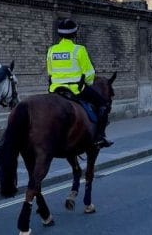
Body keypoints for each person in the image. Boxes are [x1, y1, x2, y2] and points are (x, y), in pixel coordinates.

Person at [47, 17, 112, 147]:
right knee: (103, 104)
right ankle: (99, 137)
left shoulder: (52, 50)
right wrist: (87, 83)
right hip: (76, 89)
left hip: (55, 89)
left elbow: (50, 71)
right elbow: (89, 73)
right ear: (74, 34)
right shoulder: (79, 49)